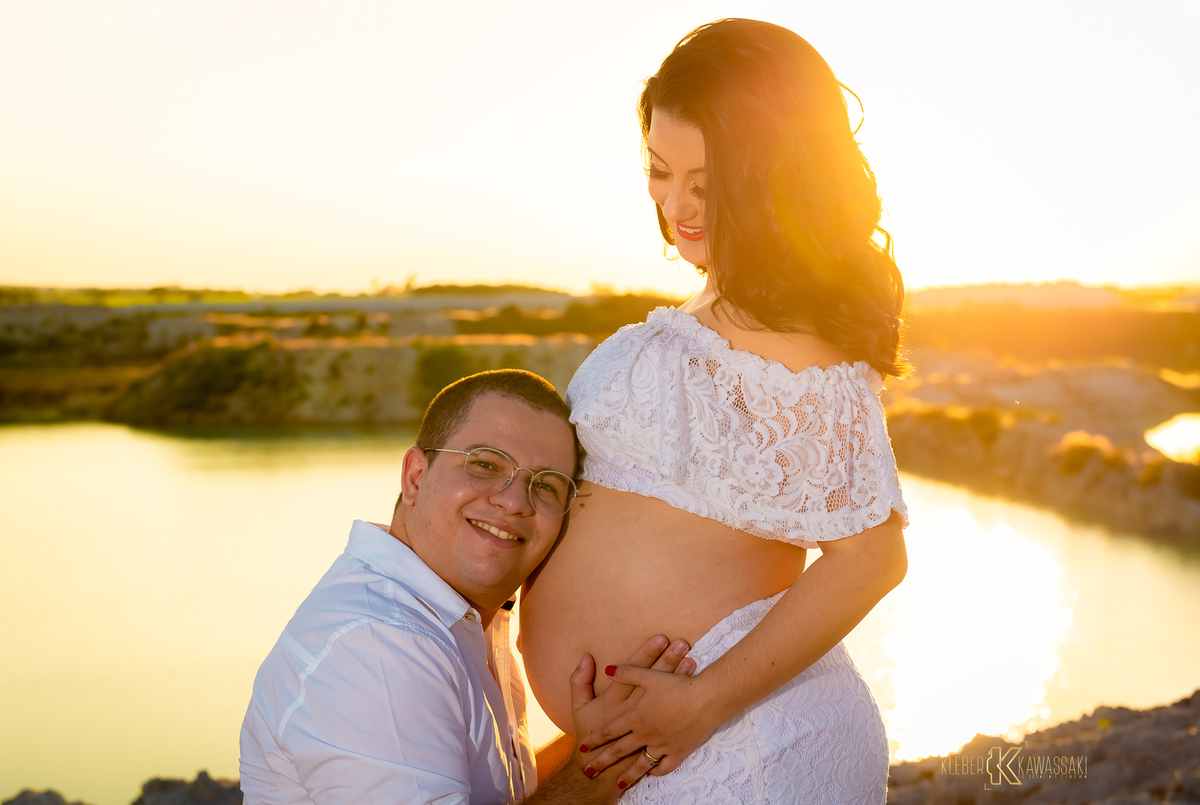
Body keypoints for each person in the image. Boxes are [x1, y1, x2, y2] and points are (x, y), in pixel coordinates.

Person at [519, 19, 909, 803]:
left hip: (749, 748)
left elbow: (872, 557)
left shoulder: (795, 341)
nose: (677, 204)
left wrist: (699, 705)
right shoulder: (716, 310)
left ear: (776, 176)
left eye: (707, 180)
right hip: (678, 751)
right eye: (660, 170)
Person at [239, 369, 695, 805]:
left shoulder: (457, 617)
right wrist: (601, 769)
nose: (513, 502)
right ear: (415, 477)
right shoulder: (377, 644)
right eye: (485, 464)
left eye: (546, 486)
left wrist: (613, 731)